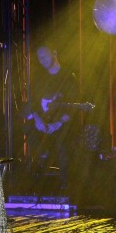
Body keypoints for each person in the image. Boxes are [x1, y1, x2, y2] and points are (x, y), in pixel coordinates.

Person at [27, 46, 80, 193]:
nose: (42, 60)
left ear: (54, 53)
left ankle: (66, 188)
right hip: (44, 124)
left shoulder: (68, 77)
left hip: (62, 125)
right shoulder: (40, 79)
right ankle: (37, 182)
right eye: (39, 57)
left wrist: (57, 124)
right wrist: (37, 119)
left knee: (64, 142)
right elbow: (33, 103)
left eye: (44, 56)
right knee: (27, 129)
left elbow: (73, 107)